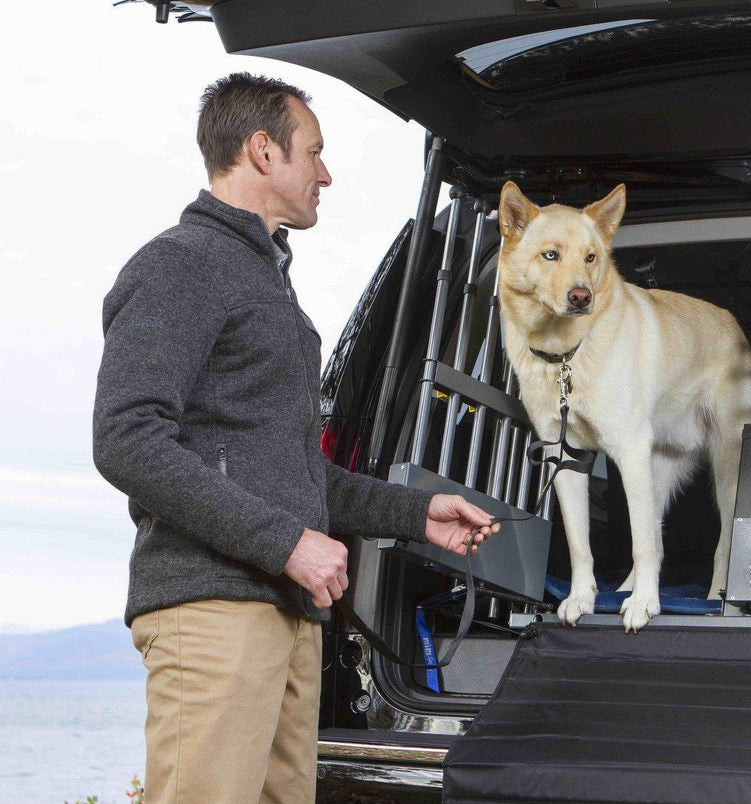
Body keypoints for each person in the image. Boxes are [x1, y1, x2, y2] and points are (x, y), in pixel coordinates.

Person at [92, 72, 498, 803]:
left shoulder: (264, 279)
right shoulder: (180, 264)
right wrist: (286, 543)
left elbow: (296, 472)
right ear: (262, 152)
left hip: (285, 617)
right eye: (313, 153)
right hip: (214, 613)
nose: (326, 174)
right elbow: (125, 439)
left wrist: (416, 514)